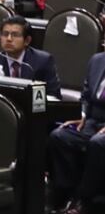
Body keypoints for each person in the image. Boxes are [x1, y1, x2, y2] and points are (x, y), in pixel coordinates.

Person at [49, 50, 105, 213]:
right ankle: (65, 195)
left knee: (98, 143)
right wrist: (81, 114)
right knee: (59, 136)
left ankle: (84, 199)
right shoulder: (97, 60)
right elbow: (86, 95)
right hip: (92, 120)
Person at [0, 16, 60, 98]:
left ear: (27, 41)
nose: (9, 39)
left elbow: (54, 95)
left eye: (15, 35)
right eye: (5, 34)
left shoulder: (43, 61)